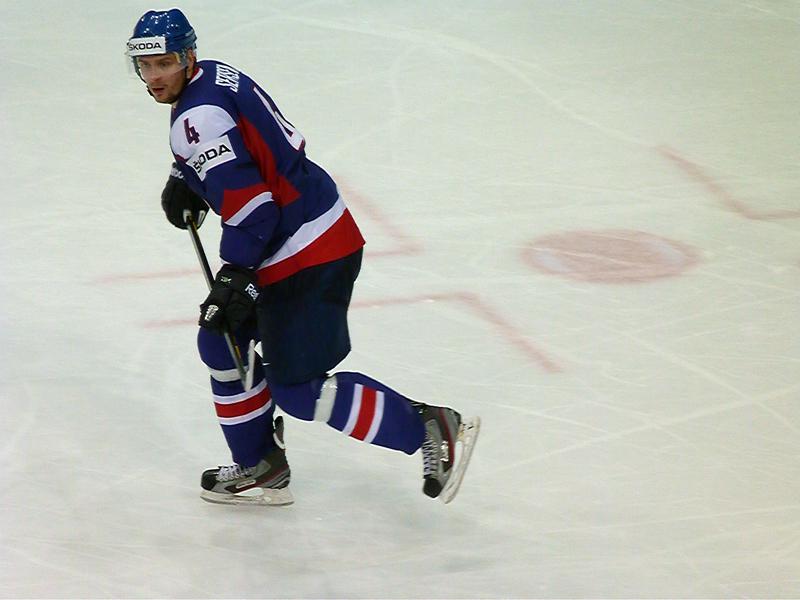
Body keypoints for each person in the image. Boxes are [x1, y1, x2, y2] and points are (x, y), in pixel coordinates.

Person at [126, 8, 480, 506]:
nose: (154, 76)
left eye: (163, 63)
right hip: (304, 231)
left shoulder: (194, 117)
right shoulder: (214, 77)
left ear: (188, 57)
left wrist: (236, 275)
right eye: (145, 66)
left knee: (298, 390)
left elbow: (254, 210)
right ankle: (260, 464)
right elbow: (245, 140)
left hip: (306, 251)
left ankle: (427, 426)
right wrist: (186, 175)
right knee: (222, 341)